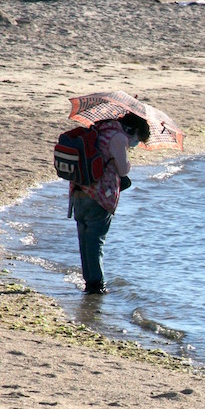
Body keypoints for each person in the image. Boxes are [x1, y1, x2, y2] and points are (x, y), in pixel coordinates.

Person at [69, 113, 150, 294]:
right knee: (96, 241)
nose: (137, 143)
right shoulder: (119, 137)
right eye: (138, 139)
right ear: (135, 131)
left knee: (84, 240)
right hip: (99, 195)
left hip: (78, 190)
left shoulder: (99, 129)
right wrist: (127, 162)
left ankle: (89, 282)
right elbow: (122, 168)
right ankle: (96, 285)